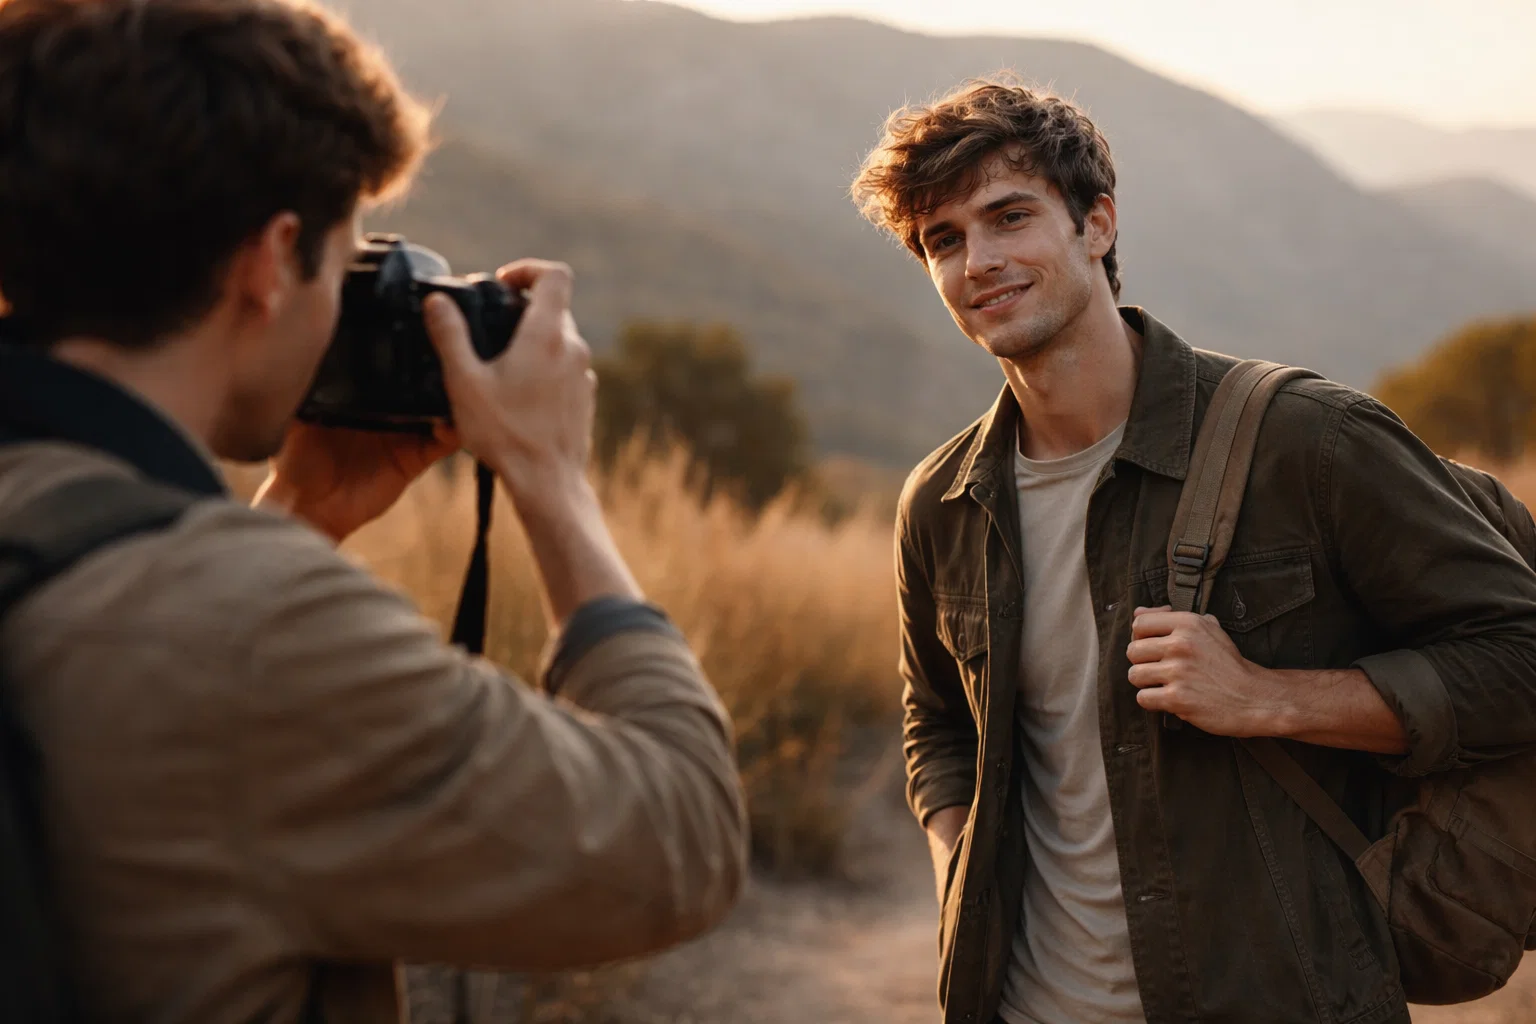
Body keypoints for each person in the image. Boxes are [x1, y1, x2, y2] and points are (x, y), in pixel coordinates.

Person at [0, 0, 747, 1021]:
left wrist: (294, 514)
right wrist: (554, 481)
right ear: (271, 262)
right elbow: (681, 840)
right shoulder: (257, 635)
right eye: (346, 259)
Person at [851, 76, 1536, 1024]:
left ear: (1096, 224)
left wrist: (1270, 698)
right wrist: (960, 876)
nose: (981, 261)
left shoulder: (1312, 441)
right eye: (944, 240)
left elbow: (1519, 657)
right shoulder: (942, 502)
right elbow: (937, 723)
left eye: (1010, 216)